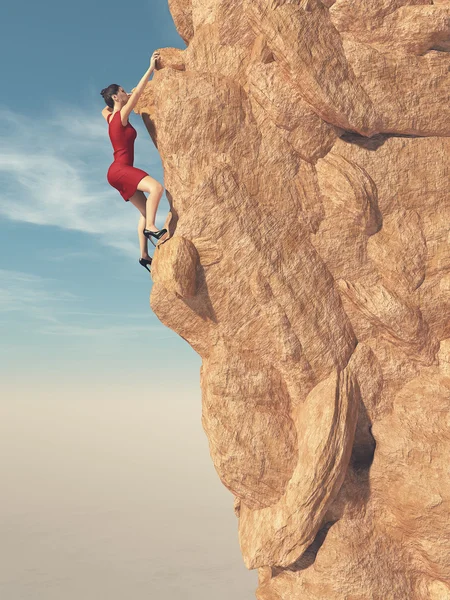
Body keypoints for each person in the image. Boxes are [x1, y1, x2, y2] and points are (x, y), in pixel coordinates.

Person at [100, 51, 166, 273]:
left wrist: (118, 99)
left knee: (146, 209)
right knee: (156, 188)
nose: (124, 91)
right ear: (117, 97)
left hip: (115, 172)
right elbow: (138, 93)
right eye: (121, 90)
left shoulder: (109, 117)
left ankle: (144, 255)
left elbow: (103, 108)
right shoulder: (120, 116)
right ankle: (151, 228)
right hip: (121, 169)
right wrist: (150, 68)